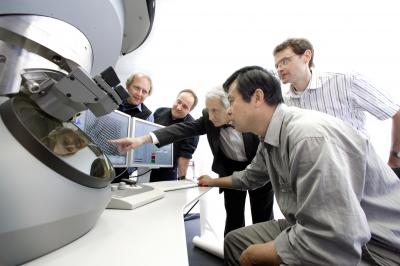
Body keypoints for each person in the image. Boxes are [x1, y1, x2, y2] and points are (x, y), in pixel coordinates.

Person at [197, 66, 400, 265]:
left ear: (257, 98)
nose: (229, 110)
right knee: (235, 242)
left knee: (251, 254)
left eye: (231, 101)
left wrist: (258, 255)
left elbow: (334, 236)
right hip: (309, 224)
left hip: (373, 245)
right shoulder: (268, 137)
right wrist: (212, 182)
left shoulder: (307, 137)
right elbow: (250, 177)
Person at [109, 86, 274, 235]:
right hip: (230, 171)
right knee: (233, 218)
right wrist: (141, 140)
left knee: (263, 219)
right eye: (208, 110)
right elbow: (181, 130)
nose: (210, 116)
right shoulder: (209, 118)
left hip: (259, 171)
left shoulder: (254, 118)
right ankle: (233, 255)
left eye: (215, 110)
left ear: (230, 109)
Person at [273, 37, 400, 177]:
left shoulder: (346, 81)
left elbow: (395, 112)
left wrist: (396, 157)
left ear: (306, 57)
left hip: (358, 174)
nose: (280, 69)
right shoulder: (284, 103)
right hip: (317, 179)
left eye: (285, 61)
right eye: (277, 65)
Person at [149, 89, 199, 182]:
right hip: (147, 162)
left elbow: (185, 155)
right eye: (178, 102)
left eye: (185, 106)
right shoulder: (159, 111)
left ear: (190, 110)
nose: (179, 107)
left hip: (168, 170)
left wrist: (182, 178)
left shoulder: (192, 127)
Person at [114, 72, 154, 182]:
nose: (139, 94)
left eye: (144, 91)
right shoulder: (112, 102)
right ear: (127, 86)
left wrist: (128, 170)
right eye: (136, 88)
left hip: (122, 170)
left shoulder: (148, 116)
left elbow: (144, 148)